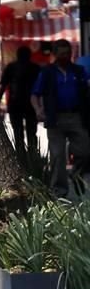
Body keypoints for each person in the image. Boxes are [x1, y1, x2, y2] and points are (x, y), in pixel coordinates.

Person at [31, 39, 90, 198]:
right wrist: (38, 109)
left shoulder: (79, 71)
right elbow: (35, 94)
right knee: (57, 156)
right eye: (62, 54)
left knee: (85, 152)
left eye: (68, 53)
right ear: (55, 54)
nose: (66, 56)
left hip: (77, 116)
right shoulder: (47, 72)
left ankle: (76, 174)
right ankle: (60, 192)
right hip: (55, 118)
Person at [0, 46, 40, 161]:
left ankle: (21, 158)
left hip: (15, 104)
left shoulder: (11, 67)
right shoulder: (35, 68)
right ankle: (33, 157)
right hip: (29, 106)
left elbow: (3, 87)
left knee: (18, 134)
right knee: (31, 133)